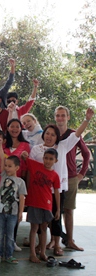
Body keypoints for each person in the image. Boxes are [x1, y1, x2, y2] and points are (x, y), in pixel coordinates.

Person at [55, 106, 91, 251]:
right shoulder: (52, 133)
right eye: (58, 115)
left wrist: (81, 173)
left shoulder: (73, 135)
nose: (60, 118)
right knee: (54, 210)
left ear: (68, 117)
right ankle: (54, 241)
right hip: (54, 178)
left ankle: (69, 240)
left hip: (70, 177)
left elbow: (86, 154)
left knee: (68, 210)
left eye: (63, 115)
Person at [21, 149, 60, 263]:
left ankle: (42, 252)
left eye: (51, 159)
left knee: (44, 228)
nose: (48, 161)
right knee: (34, 228)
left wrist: (57, 209)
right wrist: (24, 154)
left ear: (56, 161)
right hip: (34, 202)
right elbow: (24, 157)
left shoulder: (55, 175)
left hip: (46, 204)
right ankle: (32, 254)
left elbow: (56, 192)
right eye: (46, 158)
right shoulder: (34, 165)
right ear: (43, 158)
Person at [0, 138, 27, 264]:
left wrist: (20, 213)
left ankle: (9, 255)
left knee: (10, 235)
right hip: (0, 211)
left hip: (13, 213)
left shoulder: (20, 182)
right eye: (6, 166)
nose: (6, 168)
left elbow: (22, 197)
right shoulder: (3, 176)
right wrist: (0, 145)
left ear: (17, 167)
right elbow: (2, 157)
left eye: (10, 166)